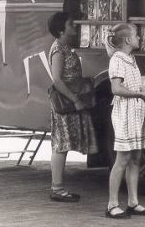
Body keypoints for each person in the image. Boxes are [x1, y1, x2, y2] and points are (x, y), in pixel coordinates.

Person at [105, 23, 145, 219]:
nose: (139, 38)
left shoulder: (129, 58)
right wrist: (139, 93)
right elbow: (116, 88)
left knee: (136, 158)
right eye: (136, 35)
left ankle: (133, 202)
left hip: (136, 111)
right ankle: (112, 204)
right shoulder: (118, 60)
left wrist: (143, 92)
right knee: (123, 159)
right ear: (127, 40)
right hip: (125, 113)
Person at [47, 12, 98, 202]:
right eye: (70, 24)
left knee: (63, 144)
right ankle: (57, 188)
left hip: (68, 102)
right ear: (61, 30)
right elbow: (57, 80)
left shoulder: (65, 47)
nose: (74, 27)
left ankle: (58, 188)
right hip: (65, 104)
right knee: (61, 144)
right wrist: (75, 99)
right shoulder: (58, 50)